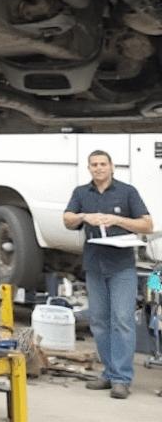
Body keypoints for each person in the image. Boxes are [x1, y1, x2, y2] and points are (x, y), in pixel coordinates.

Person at [63, 149, 153, 399]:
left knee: (122, 321)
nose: (99, 168)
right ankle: (109, 373)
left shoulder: (127, 192)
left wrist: (117, 220)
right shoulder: (82, 193)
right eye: (94, 165)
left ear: (112, 167)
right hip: (94, 266)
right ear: (89, 168)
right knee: (99, 323)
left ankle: (122, 379)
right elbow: (67, 219)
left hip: (121, 267)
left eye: (103, 164)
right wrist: (83, 216)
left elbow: (147, 224)